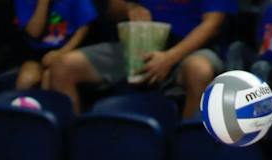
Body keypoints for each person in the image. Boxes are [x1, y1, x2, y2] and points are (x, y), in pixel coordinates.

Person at [43, 0, 236, 118]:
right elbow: (111, 10)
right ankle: (76, 150)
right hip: (138, 43)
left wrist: (170, 58)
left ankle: (185, 155)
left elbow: (213, 24)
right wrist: (130, 7)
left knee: (199, 70)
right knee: (63, 67)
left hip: (190, 49)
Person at [12, 0, 97, 91]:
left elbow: (84, 27)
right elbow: (34, 33)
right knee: (26, 80)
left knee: (50, 77)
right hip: (35, 52)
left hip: (68, 48)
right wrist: (43, 3)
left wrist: (62, 52)